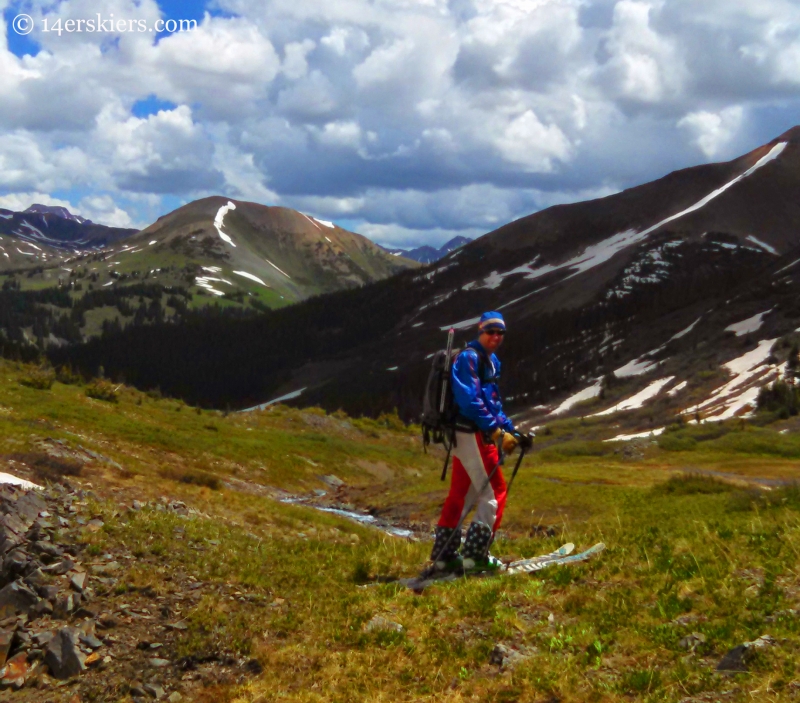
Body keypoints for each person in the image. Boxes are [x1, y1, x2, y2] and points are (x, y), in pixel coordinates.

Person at [430, 311, 520, 574]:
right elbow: (470, 400)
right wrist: (495, 431)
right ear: (480, 331)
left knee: (462, 493)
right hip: (472, 434)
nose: (495, 337)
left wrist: (510, 428)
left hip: (468, 434)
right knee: (495, 492)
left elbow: (493, 402)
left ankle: (444, 557)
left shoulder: (490, 361)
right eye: (490, 331)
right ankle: (475, 557)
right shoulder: (470, 358)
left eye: (500, 332)